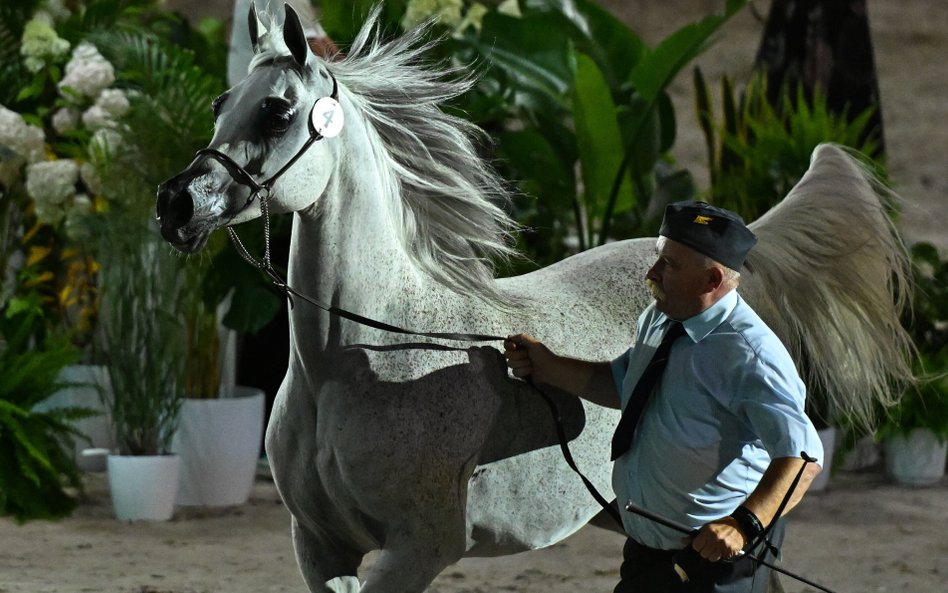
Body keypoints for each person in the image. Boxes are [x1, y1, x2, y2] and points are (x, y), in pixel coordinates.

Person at [504, 201, 823, 593]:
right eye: (658, 259)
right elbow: (627, 384)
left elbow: (803, 458)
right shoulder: (660, 316)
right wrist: (548, 366)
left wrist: (743, 525)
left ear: (712, 280)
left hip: (715, 563)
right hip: (648, 550)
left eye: (669, 265)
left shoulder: (749, 354)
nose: (651, 274)